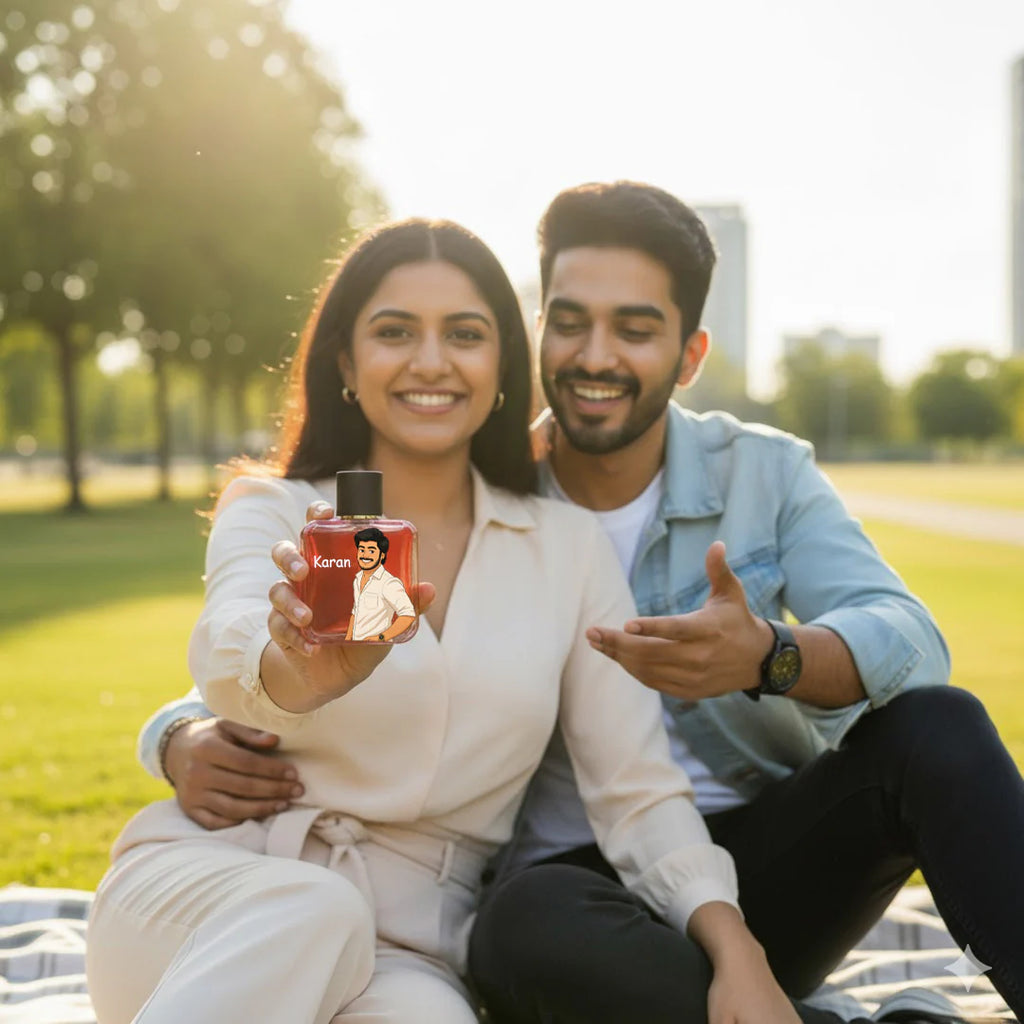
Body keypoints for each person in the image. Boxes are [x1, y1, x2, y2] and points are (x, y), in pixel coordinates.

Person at [138, 186, 1024, 1021]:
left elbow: (908, 643)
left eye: (635, 329)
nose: (596, 355)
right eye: (570, 323)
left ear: (689, 355)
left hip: (746, 862)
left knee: (938, 726)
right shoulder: (404, 501)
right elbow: (259, 650)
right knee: (521, 923)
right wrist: (177, 734)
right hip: (559, 896)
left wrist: (770, 657)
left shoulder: (745, 478)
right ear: (539, 337)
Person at [86, 217, 804, 1024]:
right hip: (211, 896)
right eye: (395, 332)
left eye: (464, 334)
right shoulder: (275, 509)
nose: (431, 361)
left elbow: (635, 792)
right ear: (347, 363)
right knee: (317, 910)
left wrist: (735, 947)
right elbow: (231, 651)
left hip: (413, 949)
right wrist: (300, 675)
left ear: (502, 364)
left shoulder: (565, 550)